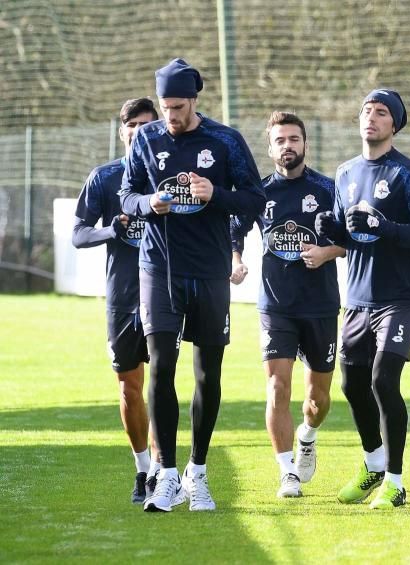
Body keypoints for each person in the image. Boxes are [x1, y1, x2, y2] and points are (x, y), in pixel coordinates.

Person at [119, 58, 266, 512]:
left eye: (179, 107)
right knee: (161, 366)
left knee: (208, 373)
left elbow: (256, 197)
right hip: (158, 268)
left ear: (195, 101)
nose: (172, 116)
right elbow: (127, 195)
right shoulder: (144, 138)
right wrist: (150, 203)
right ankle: (164, 475)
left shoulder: (224, 141)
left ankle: (197, 473)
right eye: (166, 107)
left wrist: (214, 195)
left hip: (208, 271)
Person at [315, 88, 410, 509]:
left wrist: (384, 226)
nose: (371, 117)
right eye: (366, 111)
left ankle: (396, 482)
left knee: (383, 380)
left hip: (399, 298)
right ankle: (373, 464)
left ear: (395, 125)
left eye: (381, 112)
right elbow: (352, 237)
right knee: (351, 384)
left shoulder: (407, 173)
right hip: (357, 298)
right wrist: (332, 230)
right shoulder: (346, 172)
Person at [230, 111, 345, 498]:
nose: (288, 146)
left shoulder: (329, 189)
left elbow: (355, 240)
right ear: (271, 147)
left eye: (294, 139)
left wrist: (327, 252)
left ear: (305, 144)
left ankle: (307, 436)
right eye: (280, 140)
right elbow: (235, 231)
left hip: (321, 305)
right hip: (276, 306)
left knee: (318, 400)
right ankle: (286, 473)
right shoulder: (259, 192)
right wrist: (236, 260)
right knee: (277, 387)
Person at [73, 98, 160, 504]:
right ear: (122, 131)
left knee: (163, 385)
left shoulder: (172, 180)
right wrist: (112, 229)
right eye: (134, 126)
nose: (141, 131)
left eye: (148, 124)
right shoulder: (105, 178)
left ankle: (167, 470)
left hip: (164, 296)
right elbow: (78, 234)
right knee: (130, 388)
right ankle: (142, 469)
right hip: (122, 299)